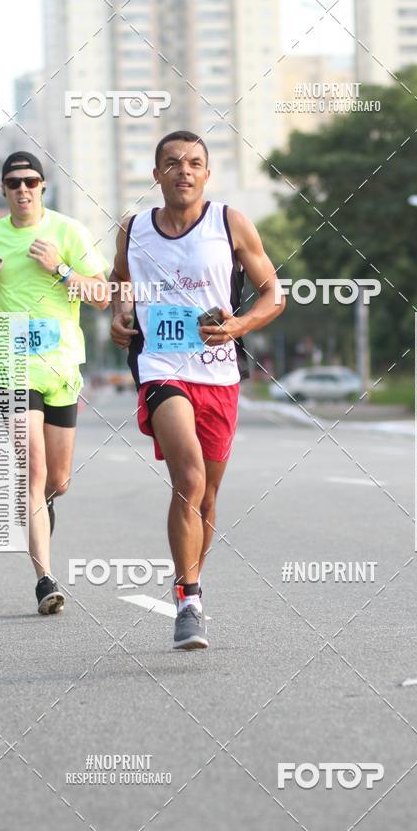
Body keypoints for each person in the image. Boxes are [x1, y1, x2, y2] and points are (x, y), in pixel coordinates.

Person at [110, 130, 285, 649]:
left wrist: (240, 326)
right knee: (186, 475)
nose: (183, 170)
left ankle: (193, 582)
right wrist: (121, 314)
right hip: (161, 365)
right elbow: (120, 279)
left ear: (207, 173)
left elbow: (273, 292)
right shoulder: (134, 228)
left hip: (219, 371)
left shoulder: (229, 222)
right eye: (172, 162)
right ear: (156, 173)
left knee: (207, 495)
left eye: (194, 163)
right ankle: (187, 600)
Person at [0, 151, 109, 615]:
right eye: (13, 183)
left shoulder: (68, 231)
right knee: (33, 471)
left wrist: (61, 268)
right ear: (3, 190)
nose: (22, 189)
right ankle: (45, 580)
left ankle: (42, 512)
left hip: (62, 364)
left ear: (43, 186)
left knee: (58, 482)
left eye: (30, 181)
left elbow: (103, 296)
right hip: (12, 358)